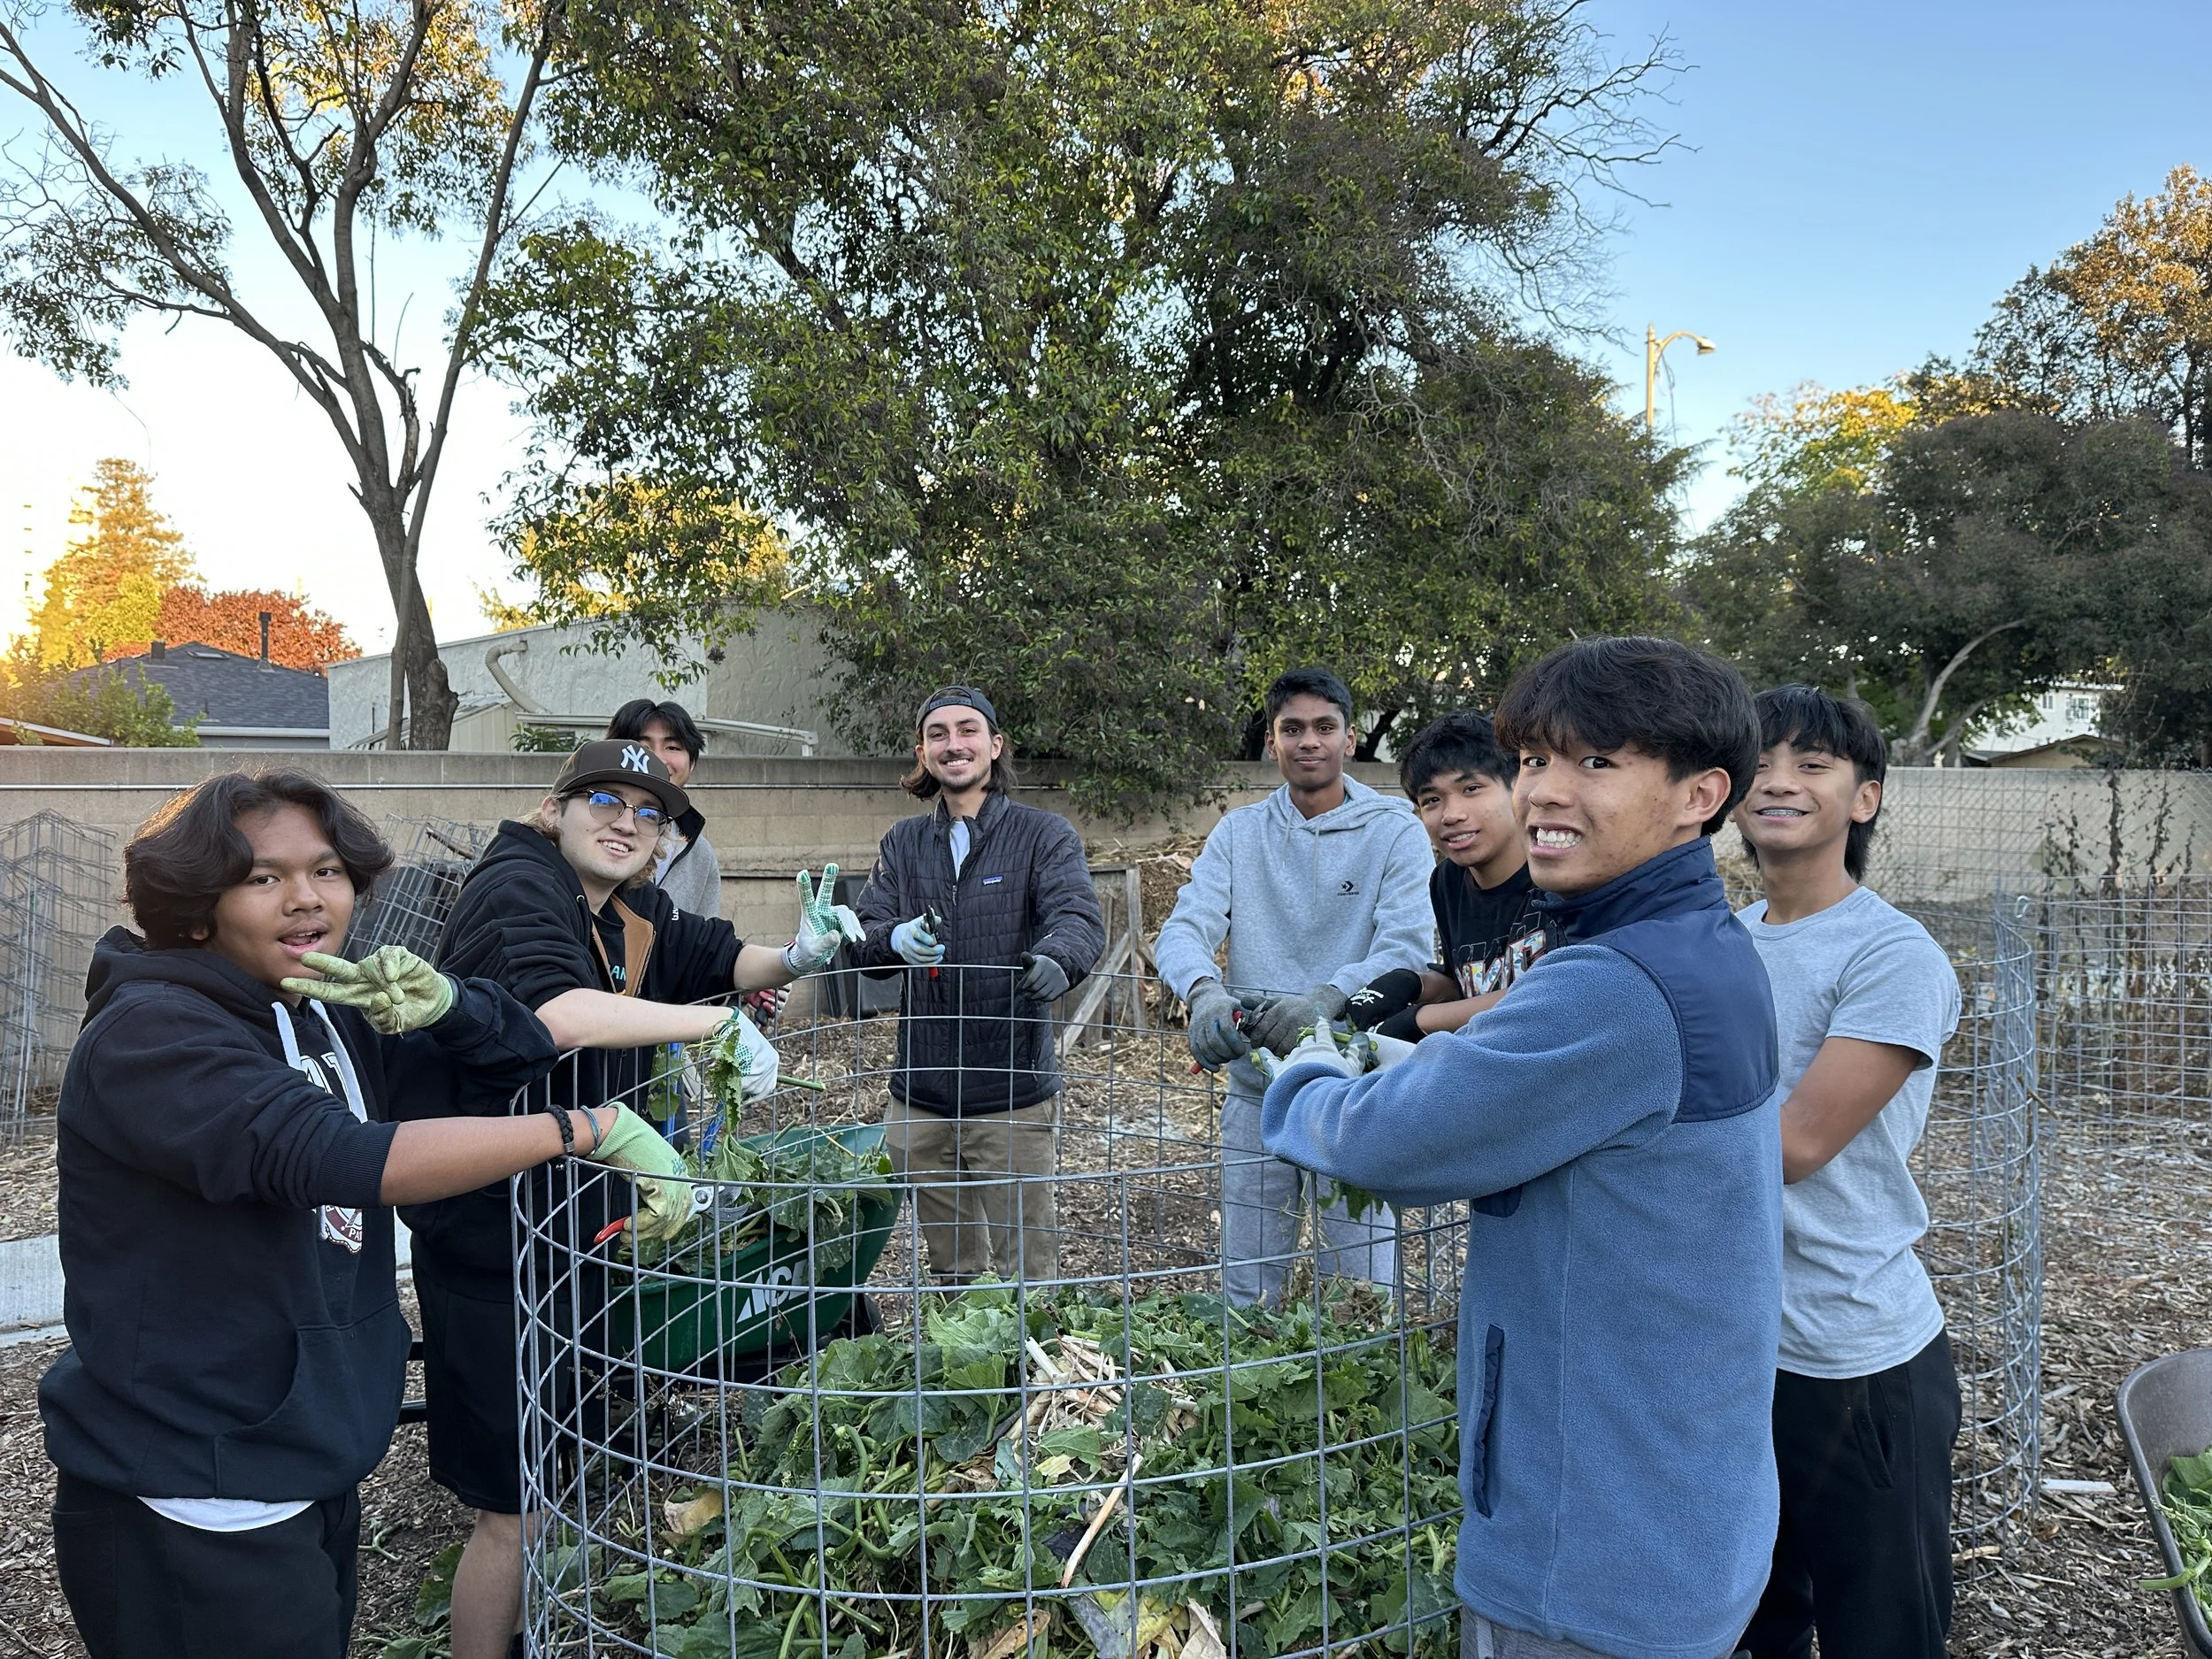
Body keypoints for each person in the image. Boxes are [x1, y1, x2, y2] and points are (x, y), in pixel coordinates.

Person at [37, 769, 692, 1659]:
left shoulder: (314, 1015)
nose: (307, 898)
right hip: (196, 1487)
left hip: (302, 1461)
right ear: (197, 903)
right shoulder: (154, 1035)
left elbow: (506, 1057)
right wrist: (584, 1128)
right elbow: (344, 1158)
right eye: (264, 877)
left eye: (328, 870)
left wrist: (452, 1004)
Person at [1254, 636, 1783, 1659]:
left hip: (1586, 1556)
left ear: (1698, 795)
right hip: (1675, 1503)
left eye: (1596, 763)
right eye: (1535, 759)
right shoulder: (1706, 945)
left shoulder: (1613, 986)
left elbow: (1380, 1140)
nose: (1546, 791)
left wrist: (1311, 1064)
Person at [410, 738, 856, 1659]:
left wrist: (797, 955)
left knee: (547, 1478)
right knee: (516, 1506)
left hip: (572, 1227)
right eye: (604, 801)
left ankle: (531, 1631)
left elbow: (718, 955)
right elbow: (554, 1012)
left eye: (649, 813)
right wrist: (713, 1028)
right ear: (553, 810)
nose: (627, 822)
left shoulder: (624, 908)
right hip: (493, 1235)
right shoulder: (515, 887)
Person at [1732, 686, 1962, 1659]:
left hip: (1853, 1354)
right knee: (1755, 1608)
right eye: (1761, 764)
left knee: (1882, 1626)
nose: (1779, 782)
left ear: (1863, 798)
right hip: (1738, 1344)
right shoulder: (1726, 938)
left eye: (1812, 764)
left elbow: (1793, 1147)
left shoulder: (1892, 954)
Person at [1154, 666, 1432, 1308]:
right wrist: (1203, 991)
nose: (1309, 741)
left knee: (1358, 1290)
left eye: (1324, 727)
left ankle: (1356, 1398)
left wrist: (1325, 1001)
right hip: (1258, 1089)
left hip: (1357, 1091)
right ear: (1273, 743)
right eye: (1292, 729)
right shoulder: (1239, 832)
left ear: (1350, 738)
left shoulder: (1395, 830)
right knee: (1249, 1287)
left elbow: (1407, 949)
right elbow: (1184, 927)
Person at [850, 686, 1105, 1284]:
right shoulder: (903, 843)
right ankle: (969, 1369)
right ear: (922, 752)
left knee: (1027, 1265)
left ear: (994, 745)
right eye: (937, 734)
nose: (953, 744)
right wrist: (892, 939)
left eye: (967, 730)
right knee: (954, 1266)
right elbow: (862, 934)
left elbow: (1077, 916)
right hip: (922, 1097)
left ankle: (1033, 1370)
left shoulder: (1044, 835)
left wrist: (1057, 958)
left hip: (1010, 1094)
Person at [1342, 710, 1546, 1041]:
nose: (1451, 815)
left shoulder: (1556, 873)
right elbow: (1468, 986)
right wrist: (1413, 983)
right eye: (1432, 800)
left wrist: (1423, 1018)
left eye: (1471, 788)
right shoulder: (1447, 882)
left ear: (1516, 786)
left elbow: (1553, 994)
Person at [605, 697, 720, 920]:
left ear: (692, 763)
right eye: (643, 747)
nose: (656, 758)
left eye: (673, 747)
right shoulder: (595, 831)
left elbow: (705, 945)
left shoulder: (700, 854)